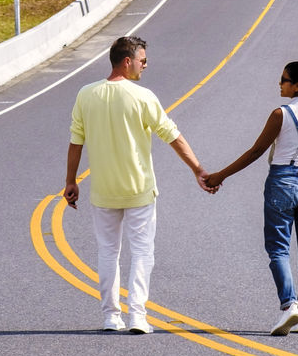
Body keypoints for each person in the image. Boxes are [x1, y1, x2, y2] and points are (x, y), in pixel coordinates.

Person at [63, 35, 213, 334]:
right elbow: (173, 136)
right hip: (139, 189)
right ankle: (138, 316)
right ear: (127, 61)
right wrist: (198, 169)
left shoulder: (86, 94)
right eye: (142, 61)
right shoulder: (143, 96)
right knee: (143, 252)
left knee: (108, 253)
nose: (146, 66)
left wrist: (70, 181)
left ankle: (110, 316)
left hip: (104, 190)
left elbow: (75, 142)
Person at [204, 61, 298, 335]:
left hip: (282, 182)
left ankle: (289, 307)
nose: (280, 83)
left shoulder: (280, 114)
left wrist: (221, 175)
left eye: (284, 80)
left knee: (278, 249)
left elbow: (256, 152)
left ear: (297, 86)